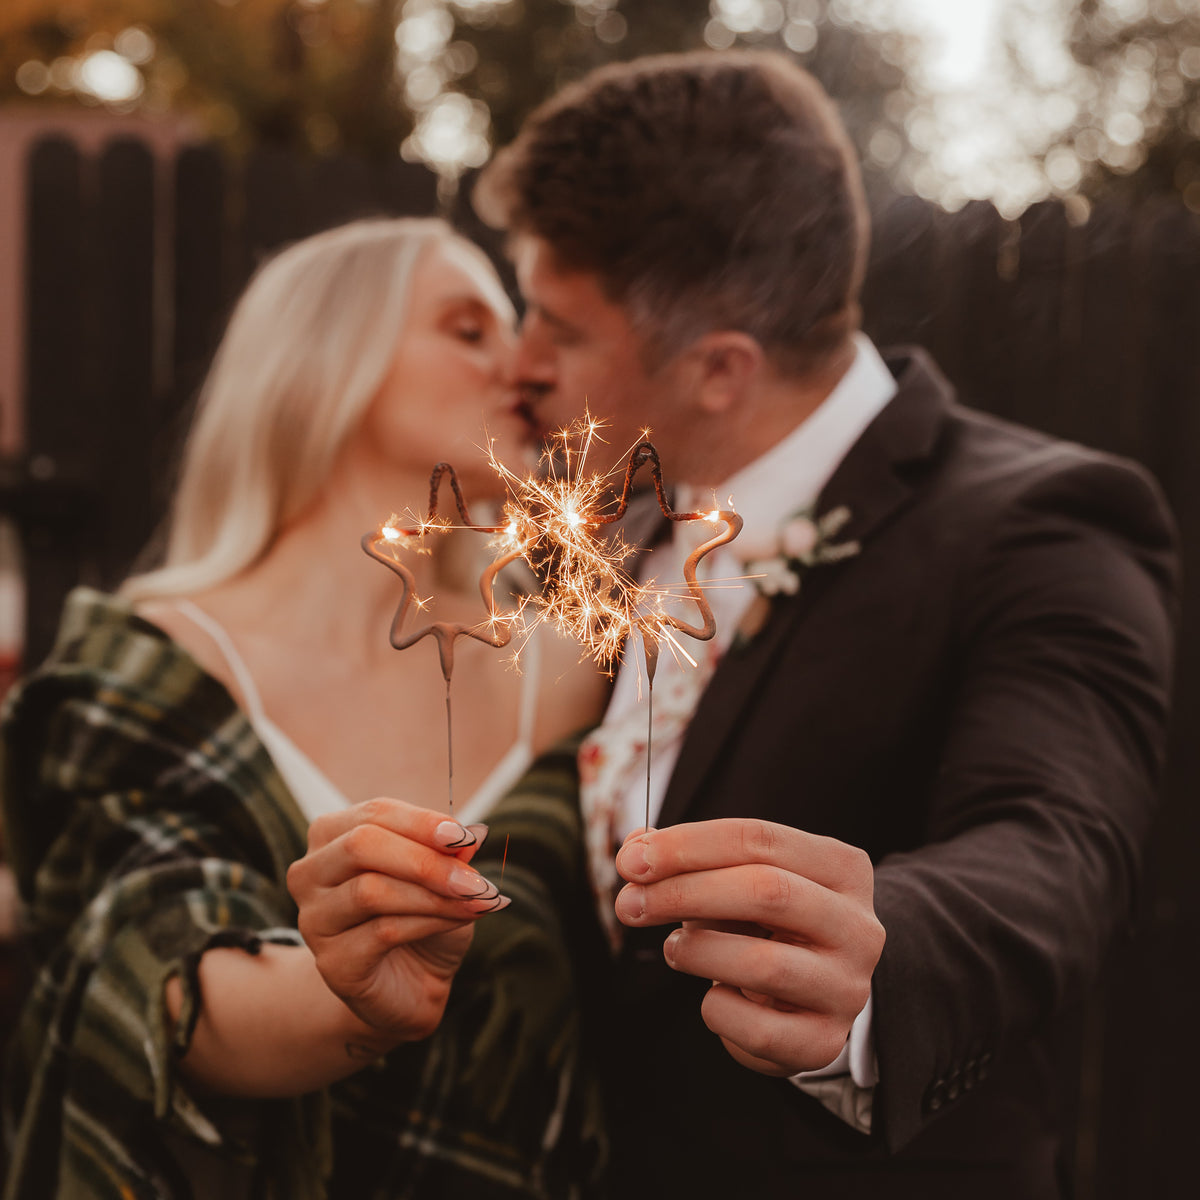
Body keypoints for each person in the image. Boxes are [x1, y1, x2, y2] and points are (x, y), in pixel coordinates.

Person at [469, 50, 1179, 1198]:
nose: (522, 361)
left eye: (558, 327)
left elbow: (1056, 841)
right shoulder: (606, 519)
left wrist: (885, 951)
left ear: (720, 368)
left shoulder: (1043, 521)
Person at [0, 217, 609, 1198]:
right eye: (468, 329)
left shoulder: (571, 671)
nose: (528, 366)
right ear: (327, 363)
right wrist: (359, 1001)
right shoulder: (151, 663)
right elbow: (162, 981)